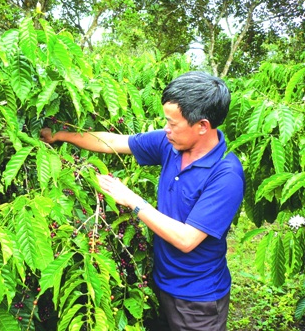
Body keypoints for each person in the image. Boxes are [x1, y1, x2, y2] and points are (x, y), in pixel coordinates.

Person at [40, 71, 245, 331]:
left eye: (173, 123)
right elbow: (112, 141)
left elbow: (186, 239)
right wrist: (60, 136)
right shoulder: (169, 143)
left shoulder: (226, 174)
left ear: (202, 125)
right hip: (161, 282)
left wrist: (130, 200)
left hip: (199, 298)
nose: (166, 129)